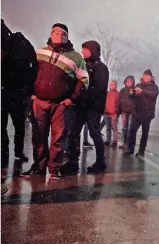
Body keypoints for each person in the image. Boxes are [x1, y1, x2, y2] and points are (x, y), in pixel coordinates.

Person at [21, 23, 88, 179]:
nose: (59, 35)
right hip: (39, 102)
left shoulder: (76, 57)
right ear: (51, 35)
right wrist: (32, 93)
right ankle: (38, 168)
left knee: (58, 138)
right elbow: (30, 73)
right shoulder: (40, 52)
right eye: (56, 33)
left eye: (63, 33)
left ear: (67, 36)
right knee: (38, 137)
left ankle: (54, 169)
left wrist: (71, 99)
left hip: (60, 105)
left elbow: (83, 80)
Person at [62, 40, 109, 175]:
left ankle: (101, 162)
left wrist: (79, 97)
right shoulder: (83, 65)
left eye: (85, 50)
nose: (82, 52)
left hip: (92, 107)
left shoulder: (101, 68)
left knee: (94, 133)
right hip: (80, 106)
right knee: (73, 133)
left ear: (92, 50)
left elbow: (98, 89)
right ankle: (72, 161)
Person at [1, 20, 38, 171]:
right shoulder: (22, 43)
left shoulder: (7, 40)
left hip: (5, 91)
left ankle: (4, 157)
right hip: (18, 92)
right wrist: (28, 89)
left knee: (2, 127)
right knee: (19, 126)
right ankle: (18, 152)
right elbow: (33, 66)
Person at [125, 69, 159, 157]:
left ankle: (141, 151)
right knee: (132, 130)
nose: (146, 77)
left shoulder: (154, 87)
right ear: (142, 76)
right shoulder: (138, 85)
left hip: (147, 113)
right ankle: (130, 148)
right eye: (145, 75)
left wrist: (142, 92)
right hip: (136, 112)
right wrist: (131, 93)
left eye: (148, 76)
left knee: (145, 132)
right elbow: (131, 97)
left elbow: (153, 94)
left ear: (151, 77)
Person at [118, 76, 136, 149]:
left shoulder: (134, 89)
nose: (129, 82)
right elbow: (119, 100)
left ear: (133, 82)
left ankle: (129, 144)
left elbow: (136, 100)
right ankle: (125, 143)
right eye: (127, 81)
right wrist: (118, 110)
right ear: (125, 82)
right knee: (125, 127)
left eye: (130, 81)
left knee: (130, 128)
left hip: (132, 111)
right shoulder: (122, 90)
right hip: (124, 111)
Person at [103, 80, 119, 147]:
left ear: (116, 85)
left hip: (114, 113)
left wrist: (115, 112)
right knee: (108, 127)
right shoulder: (106, 93)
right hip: (106, 113)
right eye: (111, 84)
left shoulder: (118, 93)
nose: (112, 85)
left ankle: (115, 141)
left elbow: (119, 104)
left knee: (114, 128)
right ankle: (108, 140)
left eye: (114, 84)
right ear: (109, 85)